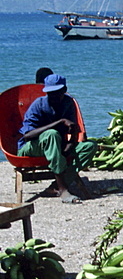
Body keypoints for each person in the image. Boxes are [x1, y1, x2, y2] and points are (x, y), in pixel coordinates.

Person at [17, 74, 97, 202]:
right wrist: (59, 122)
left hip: (57, 146)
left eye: (56, 93)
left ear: (64, 90)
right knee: (52, 134)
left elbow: (74, 127)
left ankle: (56, 186)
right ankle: (63, 189)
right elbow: (27, 135)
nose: (53, 96)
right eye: (50, 93)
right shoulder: (38, 105)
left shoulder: (68, 103)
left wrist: (70, 145)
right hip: (32, 147)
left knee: (90, 146)